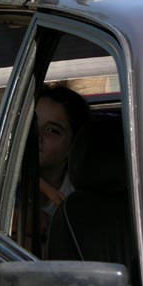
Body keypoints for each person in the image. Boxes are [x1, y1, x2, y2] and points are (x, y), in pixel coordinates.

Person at [36, 84, 90, 220]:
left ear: (73, 146)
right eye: (31, 124)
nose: (37, 134)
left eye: (52, 130)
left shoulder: (78, 200)